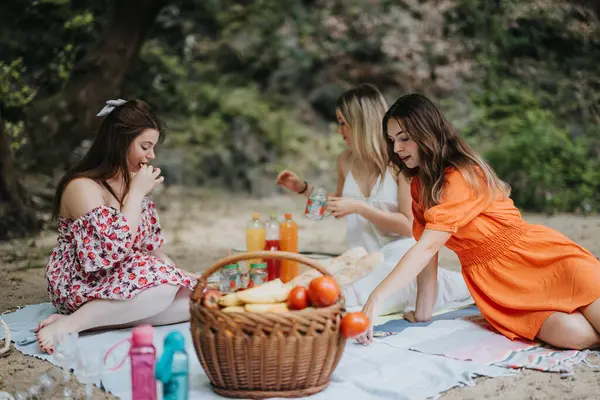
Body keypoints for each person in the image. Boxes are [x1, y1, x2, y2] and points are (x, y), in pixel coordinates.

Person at [356, 93, 600, 349]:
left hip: (541, 258)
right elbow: (427, 254)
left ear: (426, 133)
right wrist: (422, 314)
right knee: (576, 336)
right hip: (498, 284)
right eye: (392, 140)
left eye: (404, 138)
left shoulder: (460, 175)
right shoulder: (419, 185)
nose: (396, 149)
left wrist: (377, 297)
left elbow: (425, 248)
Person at [276, 84, 472, 314]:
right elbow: (339, 202)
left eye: (343, 122)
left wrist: (360, 208)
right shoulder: (345, 161)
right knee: (318, 284)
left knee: (343, 297)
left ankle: (458, 287)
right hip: (362, 260)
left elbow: (409, 226)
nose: (340, 130)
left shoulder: (402, 163)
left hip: (399, 257)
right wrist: (304, 189)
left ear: (360, 123)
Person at [36, 99, 197, 354]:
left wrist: (189, 278)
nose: (151, 156)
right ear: (120, 140)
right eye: (145, 146)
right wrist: (135, 195)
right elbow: (112, 252)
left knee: (194, 301)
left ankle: (91, 322)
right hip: (83, 280)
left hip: (126, 277)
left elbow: (152, 251)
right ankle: (71, 323)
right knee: (163, 288)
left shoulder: (130, 184)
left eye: (153, 148)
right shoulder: (82, 187)